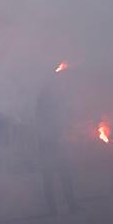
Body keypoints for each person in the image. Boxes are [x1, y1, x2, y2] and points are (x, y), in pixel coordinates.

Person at [35, 86, 78, 214]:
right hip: (47, 145)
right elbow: (43, 128)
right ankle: (53, 208)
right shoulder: (43, 108)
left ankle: (71, 204)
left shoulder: (52, 108)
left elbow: (60, 123)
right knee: (49, 177)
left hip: (57, 145)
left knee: (65, 175)